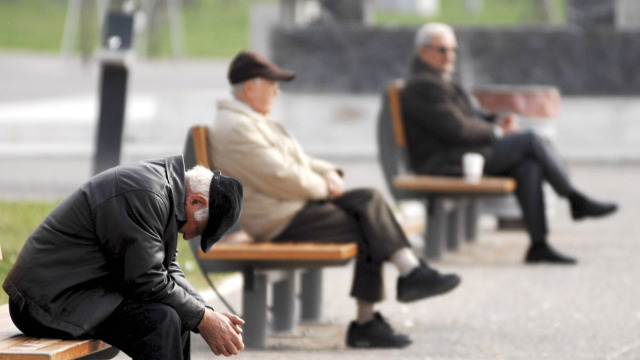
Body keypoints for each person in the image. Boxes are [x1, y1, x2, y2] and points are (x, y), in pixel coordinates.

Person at [209, 51, 461, 349]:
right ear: (250, 88)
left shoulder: (248, 120)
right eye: (272, 84)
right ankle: (378, 309)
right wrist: (326, 189)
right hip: (278, 219)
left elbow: (299, 161)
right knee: (370, 223)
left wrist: (328, 172)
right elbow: (281, 176)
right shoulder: (237, 128)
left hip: (290, 208)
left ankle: (405, 279)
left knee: (369, 201)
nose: (277, 91)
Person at [401, 22, 618, 265]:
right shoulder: (423, 85)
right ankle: (574, 198)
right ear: (423, 52)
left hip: (463, 155)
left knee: (529, 167)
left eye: (453, 50)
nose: (449, 56)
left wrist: (497, 120)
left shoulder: (440, 79)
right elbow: (455, 129)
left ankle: (539, 245)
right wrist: (496, 131)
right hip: (444, 162)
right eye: (442, 50)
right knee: (531, 140)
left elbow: (471, 115)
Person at [3, 155, 245, 359]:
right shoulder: (146, 194)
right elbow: (147, 280)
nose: (189, 236)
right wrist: (203, 318)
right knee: (161, 320)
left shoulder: (164, 191)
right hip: (43, 302)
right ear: (195, 201)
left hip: (81, 293)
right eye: (200, 229)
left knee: (177, 315)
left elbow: (166, 267)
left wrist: (204, 311)